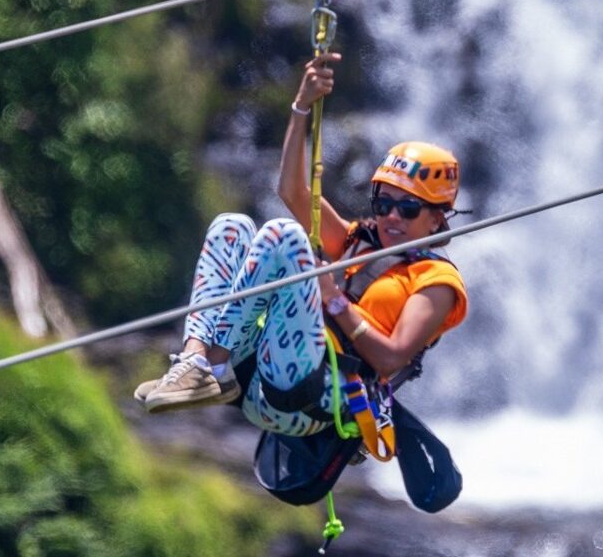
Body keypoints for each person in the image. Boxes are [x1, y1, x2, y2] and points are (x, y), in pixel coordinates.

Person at [133, 52, 468, 440]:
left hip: (316, 395)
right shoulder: (358, 241)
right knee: (232, 226)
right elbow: (292, 191)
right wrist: (301, 108)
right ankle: (196, 361)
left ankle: (216, 366)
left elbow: (392, 356)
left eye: (408, 208)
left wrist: (335, 301)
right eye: (384, 204)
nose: (392, 216)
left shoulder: (437, 281)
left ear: (438, 217)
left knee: (282, 235)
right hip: (263, 369)